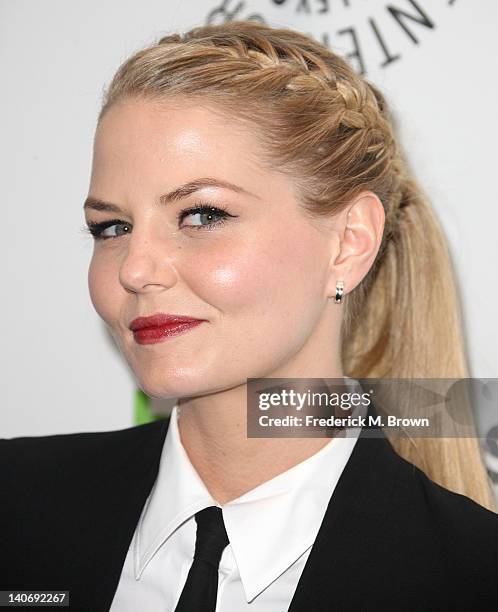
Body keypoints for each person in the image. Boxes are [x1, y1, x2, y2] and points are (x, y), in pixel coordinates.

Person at [1, 20, 497, 612]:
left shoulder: (472, 576)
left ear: (349, 242)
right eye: (112, 227)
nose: (135, 269)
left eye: (202, 215)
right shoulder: (13, 504)